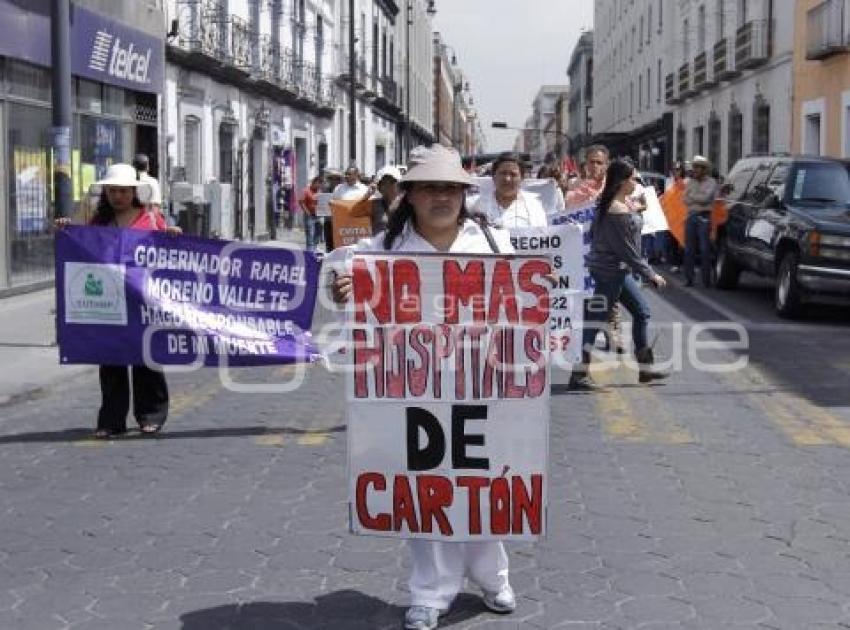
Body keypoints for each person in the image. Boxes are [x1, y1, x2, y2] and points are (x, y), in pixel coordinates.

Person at [329, 145, 518, 630]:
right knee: (426, 486)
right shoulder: (379, 253)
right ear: (409, 196)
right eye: (430, 188)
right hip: (413, 391)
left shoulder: (495, 244)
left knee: (481, 482)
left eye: (450, 188)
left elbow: (526, 309)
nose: (441, 197)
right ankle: (431, 592)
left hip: (482, 387)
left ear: (463, 194)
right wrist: (341, 292)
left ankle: (493, 578)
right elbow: (342, 308)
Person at [55, 163, 181, 439]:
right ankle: (112, 420)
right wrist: (68, 230)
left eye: (122, 191)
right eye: (112, 191)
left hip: (143, 298)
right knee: (110, 357)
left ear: (133, 192)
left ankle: (151, 415)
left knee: (145, 356)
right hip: (109, 301)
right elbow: (82, 247)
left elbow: (168, 253)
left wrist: (172, 235)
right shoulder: (98, 223)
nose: (117, 196)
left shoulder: (150, 219)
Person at [569, 160, 669, 390]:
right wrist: (650, 274)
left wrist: (637, 208)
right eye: (634, 178)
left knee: (641, 311)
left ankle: (645, 370)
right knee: (594, 322)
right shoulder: (615, 210)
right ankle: (578, 375)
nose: (637, 182)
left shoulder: (618, 204)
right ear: (622, 181)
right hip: (609, 272)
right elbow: (627, 249)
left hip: (617, 270)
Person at [472, 151, 548, 228]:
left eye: (513, 174)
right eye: (503, 173)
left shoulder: (534, 207)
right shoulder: (478, 206)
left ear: (522, 178)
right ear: (493, 176)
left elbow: (543, 235)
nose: (507, 179)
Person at [682, 155, 718, 287]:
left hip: (704, 216)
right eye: (694, 167)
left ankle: (706, 280)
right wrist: (697, 198)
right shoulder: (690, 182)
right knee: (688, 249)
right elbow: (684, 199)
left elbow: (706, 199)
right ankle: (689, 278)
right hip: (691, 215)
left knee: (704, 249)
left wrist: (693, 197)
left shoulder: (712, 182)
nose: (694, 169)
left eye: (697, 167)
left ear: (704, 169)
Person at [349, 165, 402, 235]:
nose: (388, 186)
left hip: (401, 244)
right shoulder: (375, 204)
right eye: (384, 183)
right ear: (379, 186)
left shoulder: (405, 203)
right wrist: (367, 195)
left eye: (392, 182)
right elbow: (353, 212)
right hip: (379, 244)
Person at [564, 145, 609, 209]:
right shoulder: (574, 184)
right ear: (586, 162)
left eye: (599, 163)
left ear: (606, 165)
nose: (595, 166)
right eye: (592, 162)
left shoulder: (611, 185)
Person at [299, 176, 322, 250]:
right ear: (313, 182)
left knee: (317, 235)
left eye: (320, 185)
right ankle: (309, 253)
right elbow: (301, 202)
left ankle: (314, 250)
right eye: (318, 184)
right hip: (310, 216)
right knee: (310, 235)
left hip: (318, 216)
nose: (318, 186)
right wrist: (307, 212)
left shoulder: (319, 192)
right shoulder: (306, 191)